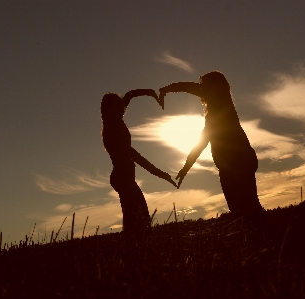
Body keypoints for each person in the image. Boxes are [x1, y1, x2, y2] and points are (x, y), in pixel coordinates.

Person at [159, 71, 265, 227]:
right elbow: (203, 141)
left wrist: (167, 89)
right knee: (248, 208)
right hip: (239, 163)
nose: (201, 89)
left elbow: (202, 141)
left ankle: (261, 240)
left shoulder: (220, 109)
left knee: (243, 211)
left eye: (205, 86)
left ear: (214, 88)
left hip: (235, 165)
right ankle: (264, 239)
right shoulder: (221, 107)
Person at [101, 90, 177, 237]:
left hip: (125, 177)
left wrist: (151, 93)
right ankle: (134, 250)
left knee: (138, 217)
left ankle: (135, 248)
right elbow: (135, 155)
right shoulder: (113, 129)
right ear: (111, 108)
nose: (122, 107)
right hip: (122, 178)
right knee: (137, 218)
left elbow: (129, 95)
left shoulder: (116, 120)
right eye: (117, 104)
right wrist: (159, 173)